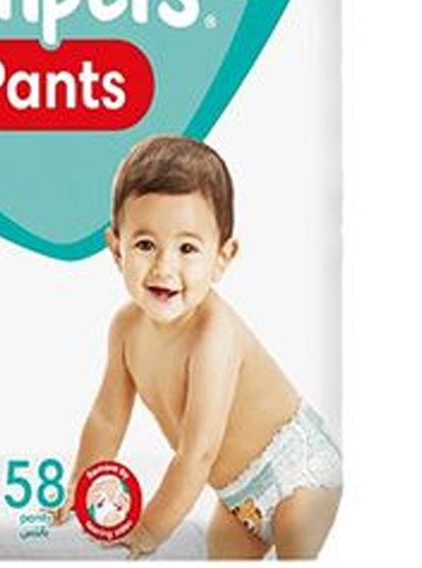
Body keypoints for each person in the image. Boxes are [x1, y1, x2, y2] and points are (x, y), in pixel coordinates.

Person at [52, 136, 341, 559]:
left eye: (187, 248)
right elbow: (107, 418)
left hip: (299, 471)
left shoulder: (213, 336)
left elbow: (198, 454)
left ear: (222, 257)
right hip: (237, 493)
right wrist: (81, 484)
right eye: (145, 245)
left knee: (298, 543)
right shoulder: (125, 328)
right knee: (220, 555)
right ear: (116, 250)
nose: (164, 267)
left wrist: (149, 530)